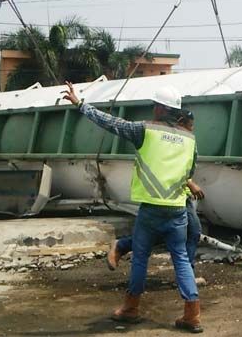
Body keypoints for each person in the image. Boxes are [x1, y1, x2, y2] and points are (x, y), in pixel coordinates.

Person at [62, 82, 203, 333]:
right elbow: (190, 171)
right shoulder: (189, 139)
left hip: (150, 209)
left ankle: (130, 309)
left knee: (140, 258)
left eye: (154, 106)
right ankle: (192, 315)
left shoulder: (145, 130)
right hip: (176, 209)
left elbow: (110, 122)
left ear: (159, 109)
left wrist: (80, 104)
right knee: (181, 259)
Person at [107, 109, 206, 285]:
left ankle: (122, 247)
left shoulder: (186, 138)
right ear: (180, 121)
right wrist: (190, 183)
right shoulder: (167, 135)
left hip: (180, 197)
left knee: (188, 232)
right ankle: (187, 280)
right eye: (189, 125)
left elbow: (183, 167)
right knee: (183, 235)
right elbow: (169, 166)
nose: (191, 130)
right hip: (171, 198)